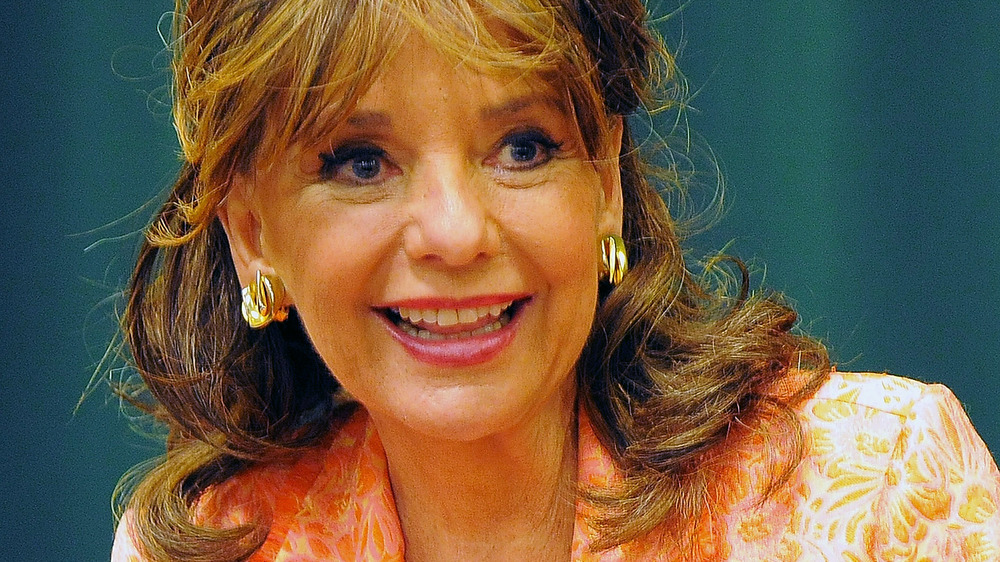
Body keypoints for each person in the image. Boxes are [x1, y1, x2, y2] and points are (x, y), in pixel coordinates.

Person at [110, 0, 1000, 560]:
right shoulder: (210, 547)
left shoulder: (877, 489)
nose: (454, 233)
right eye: (359, 162)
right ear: (253, 232)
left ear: (606, 180)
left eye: (523, 147)